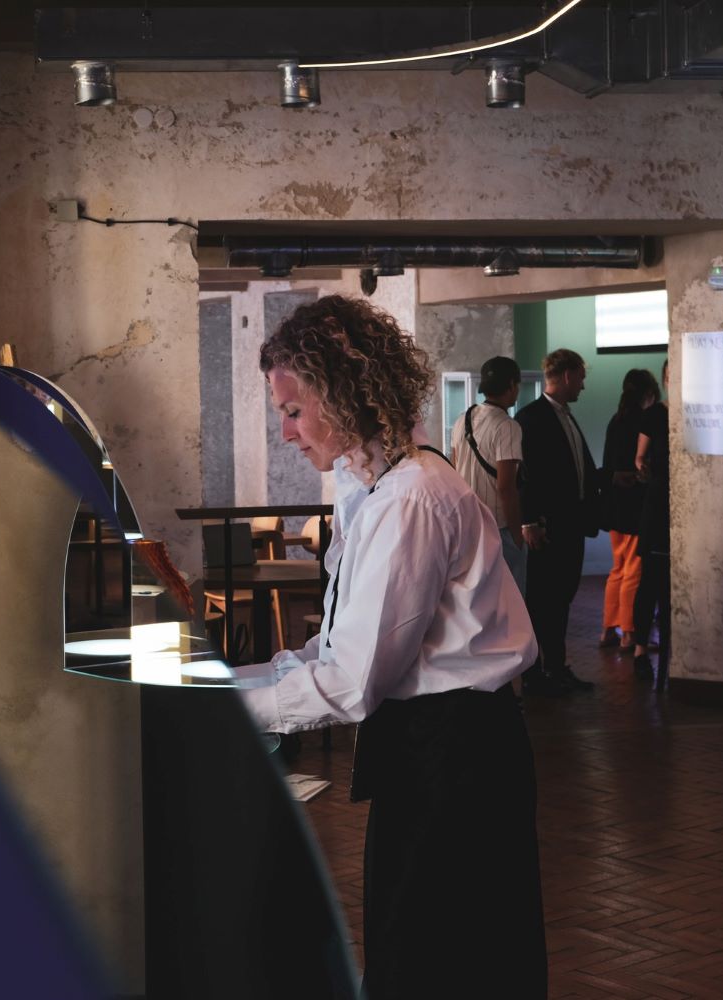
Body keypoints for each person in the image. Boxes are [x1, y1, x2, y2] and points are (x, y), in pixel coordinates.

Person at [239, 295, 546, 999]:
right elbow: (332, 649)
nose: (286, 432)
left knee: (441, 964)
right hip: (432, 749)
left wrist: (219, 707)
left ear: (343, 396)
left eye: (294, 410)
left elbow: (350, 682)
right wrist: (224, 681)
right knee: (418, 955)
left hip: (457, 757)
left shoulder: (410, 498)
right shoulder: (372, 485)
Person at [515, 348, 601, 695]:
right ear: (567, 376)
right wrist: (529, 521)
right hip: (548, 527)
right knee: (544, 600)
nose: (582, 385)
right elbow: (525, 475)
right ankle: (538, 671)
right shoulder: (531, 418)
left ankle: (555, 667)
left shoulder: (565, 416)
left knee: (562, 597)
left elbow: (575, 469)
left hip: (570, 524)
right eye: (580, 377)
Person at [450, 355, 527, 595]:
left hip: (466, 524)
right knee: (509, 599)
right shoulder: (507, 426)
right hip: (497, 527)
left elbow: (453, 471)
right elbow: (506, 487)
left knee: (475, 599)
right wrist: (517, 534)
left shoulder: (462, 420)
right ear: (512, 385)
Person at [599, 369, 660, 650]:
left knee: (618, 567)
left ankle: (607, 629)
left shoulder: (615, 420)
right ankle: (629, 632)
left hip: (615, 506)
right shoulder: (644, 421)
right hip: (637, 505)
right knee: (635, 569)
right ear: (649, 393)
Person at [632, 358, 671, 687]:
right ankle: (640, 649)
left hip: (685, 506)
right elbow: (640, 459)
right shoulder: (655, 414)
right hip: (659, 506)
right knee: (650, 581)